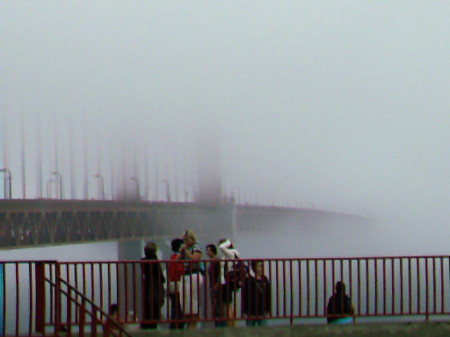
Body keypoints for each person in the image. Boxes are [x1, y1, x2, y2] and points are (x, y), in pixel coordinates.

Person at [179, 229, 203, 329]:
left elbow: (195, 259)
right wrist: (181, 252)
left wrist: (186, 252)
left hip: (194, 274)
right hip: (185, 275)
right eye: (184, 240)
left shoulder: (197, 246)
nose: (186, 242)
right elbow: (177, 260)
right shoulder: (184, 249)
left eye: (187, 240)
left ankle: (194, 319)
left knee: (192, 297)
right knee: (184, 299)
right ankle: (188, 318)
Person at [141, 242, 165, 329]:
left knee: (147, 310)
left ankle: (145, 325)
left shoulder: (143, 262)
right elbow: (161, 278)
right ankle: (153, 326)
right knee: (154, 311)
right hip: (155, 289)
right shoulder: (155, 262)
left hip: (147, 288)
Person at [218, 238, 241, 327]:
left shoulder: (230, 253)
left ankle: (231, 325)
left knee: (227, 305)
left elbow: (221, 248)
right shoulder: (234, 253)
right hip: (227, 282)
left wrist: (227, 242)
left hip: (226, 283)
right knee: (228, 305)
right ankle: (232, 324)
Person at [242, 260, 271, 327]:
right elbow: (245, 296)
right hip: (251, 311)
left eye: (262, 266)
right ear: (254, 267)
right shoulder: (248, 280)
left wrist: (268, 308)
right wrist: (244, 310)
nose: (261, 268)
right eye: (259, 266)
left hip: (262, 310)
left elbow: (268, 295)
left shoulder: (265, 279)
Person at [206, 244, 226, 327]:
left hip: (216, 286)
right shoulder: (212, 261)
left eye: (209, 250)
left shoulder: (216, 261)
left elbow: (220, 273)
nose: (207, 252)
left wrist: (217, 283)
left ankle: (220, 324)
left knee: (218, 306)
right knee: (215, 306)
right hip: (212, 286)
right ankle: (218, 323)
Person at [167, 238, 185, 329]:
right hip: (178, 285)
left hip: (172, 285)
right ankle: (178, 327)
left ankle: (174, 327)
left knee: (175, 308)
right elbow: (179, 270)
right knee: (179, 310)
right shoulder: (178, 258)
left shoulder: (172, 257)